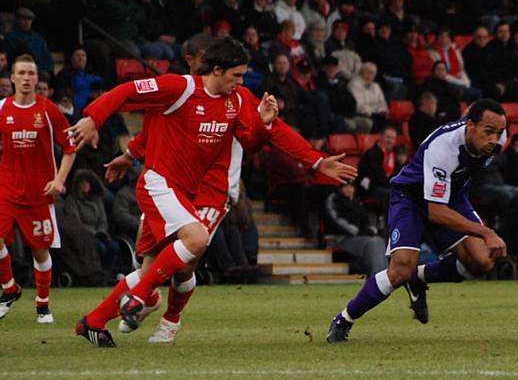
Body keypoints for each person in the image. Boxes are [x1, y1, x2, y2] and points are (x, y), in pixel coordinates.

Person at [73, 37, 357, 347]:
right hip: (161, 184)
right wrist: (94, 118)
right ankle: (142, 302)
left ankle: (97, 321)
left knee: (161, 265)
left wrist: (306, 154)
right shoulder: (180, 89)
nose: (241, 82)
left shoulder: (236, 99)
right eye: (237, 75)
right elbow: (130, 93)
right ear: (215, 68)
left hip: (202, 190)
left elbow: (257, 140)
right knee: (191, 245)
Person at [327, 99, 508, 342]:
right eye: (489, 131)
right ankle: (344, 319)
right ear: (470, 126)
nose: (495, 139)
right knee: (400, 270)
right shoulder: (443, 148)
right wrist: (486, 232)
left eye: (499, 132)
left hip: (452, 199)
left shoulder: (495, 141)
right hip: (412, 199)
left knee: (482, 263)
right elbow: (436, 213)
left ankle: (419, 276)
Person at [0, 54, 77, 323]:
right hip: (7, 189)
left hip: (39, 194)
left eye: (30, 74)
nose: (26, 78)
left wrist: (59, 180)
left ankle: (43, 304)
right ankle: (9, 289)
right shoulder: (1, 109)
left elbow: (70, 147)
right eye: (20, 73)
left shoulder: (47, 110)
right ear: (12, 77)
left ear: (37, 78)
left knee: (40, 251)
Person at [64, 169, 121, 279]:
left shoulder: (97, 200)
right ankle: (97, 274)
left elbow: (103, 220)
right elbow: (75, 222)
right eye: (82, 182)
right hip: (84, 237)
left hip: (100, 234)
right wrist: (92, 234)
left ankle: (108, 274)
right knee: (100, 248)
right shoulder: (72, 201)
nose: (85, 185)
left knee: (114, 247)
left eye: (87, 182)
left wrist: (101, 232)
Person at [323, 181, 387, 276]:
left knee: (379, 240)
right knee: (372, 243)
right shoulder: (334, 199)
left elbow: (365, 220)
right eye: (346, 186)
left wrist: (371, 230)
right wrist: (357, 231)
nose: (349, 189)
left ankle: (383, 276)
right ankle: (377, 277)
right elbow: (335, 220)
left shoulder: (357, 200)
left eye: (351, 187)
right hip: (340, 238)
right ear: (341, 188)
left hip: (359, 237)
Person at [4, 8, 54, 75]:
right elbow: (10, 58)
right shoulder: (11, 37)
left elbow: (47, 57)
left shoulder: (38, 39)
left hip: (39, 71)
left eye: (29, 19)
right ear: (18, 20)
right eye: (24, 19)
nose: (27, 22)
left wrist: (47, 70)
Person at [357, 125, 398, 200]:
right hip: (370, 187)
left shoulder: (392, 154)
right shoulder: (373, 153)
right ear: (380, 137)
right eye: (387, 137)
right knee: (396, 195)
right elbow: (377, 176)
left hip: (384, 185)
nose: (390, 141)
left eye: (392, 138)